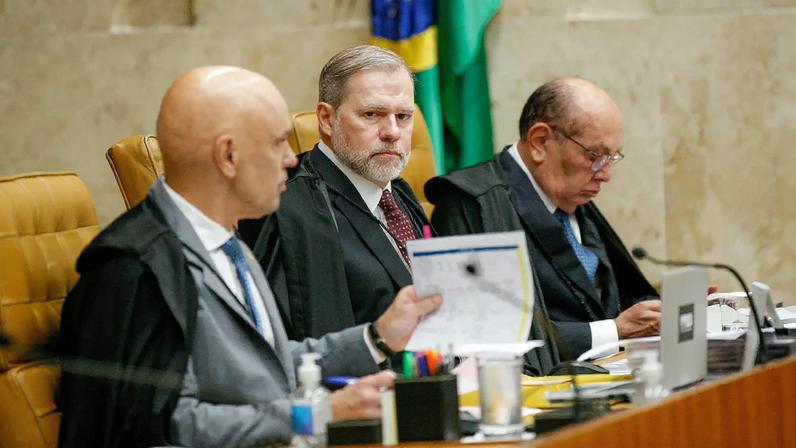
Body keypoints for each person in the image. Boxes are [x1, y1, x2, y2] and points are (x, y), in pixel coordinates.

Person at [57, 66, 442, 448]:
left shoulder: (228, 243)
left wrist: (376, 337)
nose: (292, 159)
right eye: (277, 143)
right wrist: (315, 415)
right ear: (228, 156)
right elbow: (155, 428)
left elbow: (268, 366)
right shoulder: (134, 267)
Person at [426, 78, 660, 360]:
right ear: (540, 141)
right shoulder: (471, 205)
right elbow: (485, 339)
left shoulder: (571, 194)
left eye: (612, 157)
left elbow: (619, 296)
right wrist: (613, 332)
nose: (606, 174)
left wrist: (667, 312)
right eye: (595, 156)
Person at [239, 45, 431, 341]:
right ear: (327, 119)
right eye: (372, 114)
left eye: (403, 117)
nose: (392, 132)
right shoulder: (287, 206)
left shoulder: (401, 194)